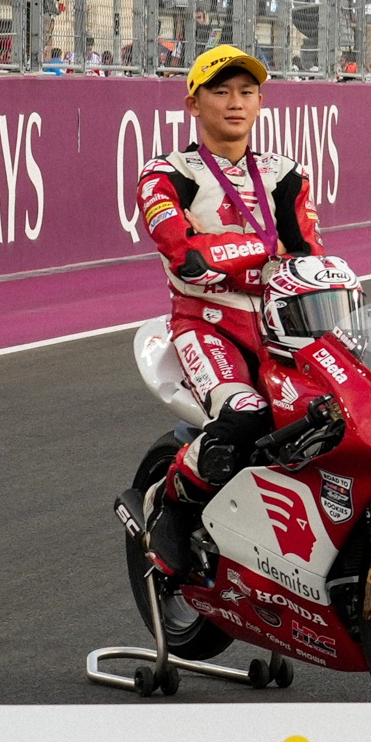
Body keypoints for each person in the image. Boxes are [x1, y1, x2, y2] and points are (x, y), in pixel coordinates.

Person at [136, 44, 325, 564]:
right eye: (220, 92)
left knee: (331, 416)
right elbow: (187, 259)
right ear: (193, 104)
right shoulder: (165, 173)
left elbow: (308, 258)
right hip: (206, 325)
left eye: (247, 91)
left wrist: (224, 247)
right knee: (244, 416)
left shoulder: (286, 173)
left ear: (261, 101)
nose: (235, 102)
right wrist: (267, 249)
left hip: (284, 326)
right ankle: (168, 507)